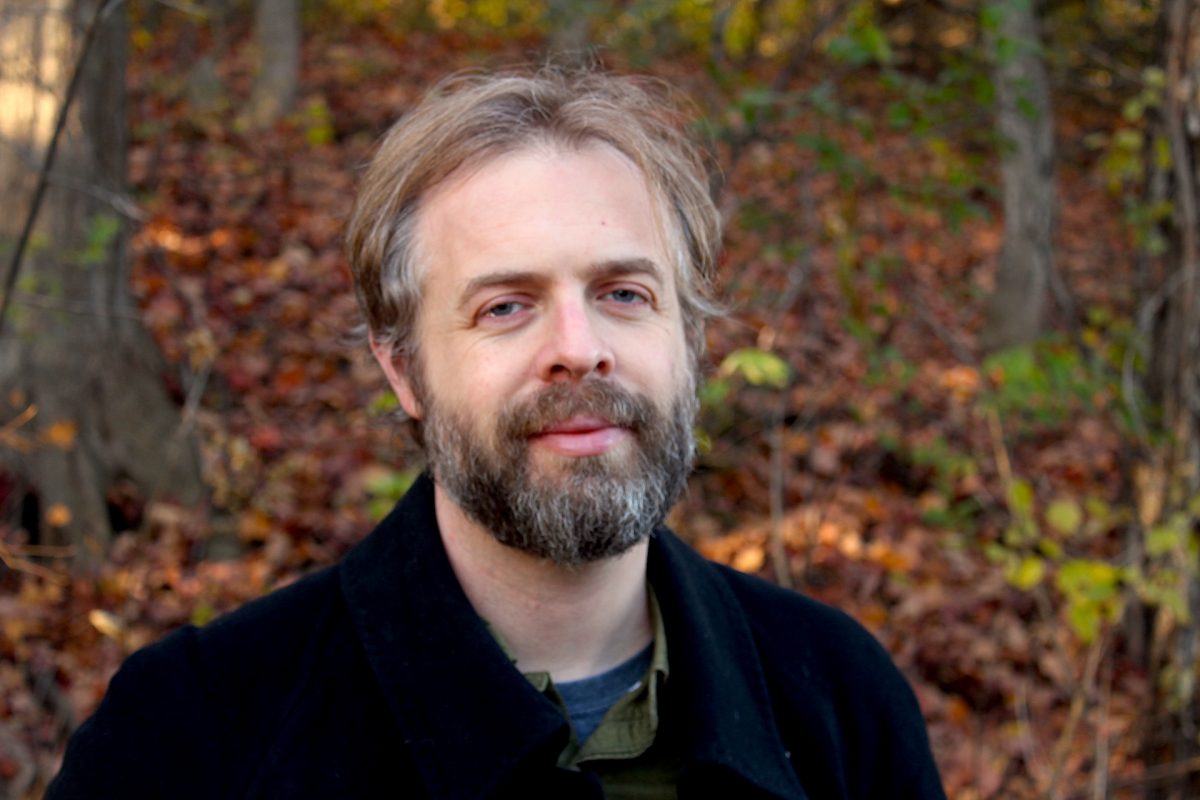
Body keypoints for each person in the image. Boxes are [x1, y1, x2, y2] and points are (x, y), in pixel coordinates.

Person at [48, 67, 946, 799]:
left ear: (692, 340)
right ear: (403, 368)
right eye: (506, 306)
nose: (579, 351)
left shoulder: (837, 700)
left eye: (624, 295)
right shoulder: (193, 736)